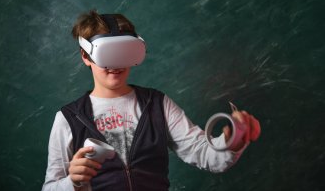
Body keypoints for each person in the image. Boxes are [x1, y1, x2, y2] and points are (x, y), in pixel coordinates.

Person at [41, 10, 261, 191]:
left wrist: (233, 141)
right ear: (86, 56)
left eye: (124, 52)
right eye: (107, 54)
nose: (116, 64)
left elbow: (206, 154)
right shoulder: (68, 118)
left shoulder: (157, 104)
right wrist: (73, 183)